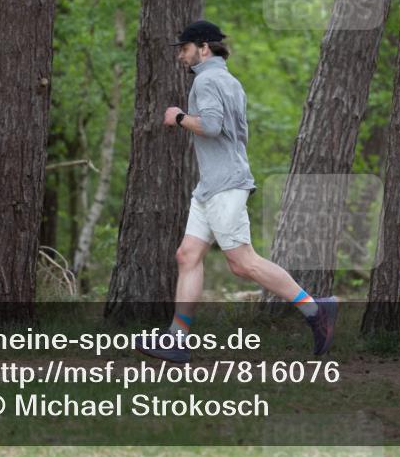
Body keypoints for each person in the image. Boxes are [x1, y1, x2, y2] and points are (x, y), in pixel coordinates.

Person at [136, 20, 338, 364]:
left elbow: (212, 127)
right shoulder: (228, 80)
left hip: (225, 186)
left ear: (203, 47)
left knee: (244, 264)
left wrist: (179, 116)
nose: (181, 57)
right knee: (188, 255)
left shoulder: (207, 79)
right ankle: (176, 338)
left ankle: (316, 309)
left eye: (184, 49)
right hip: (211, 187)